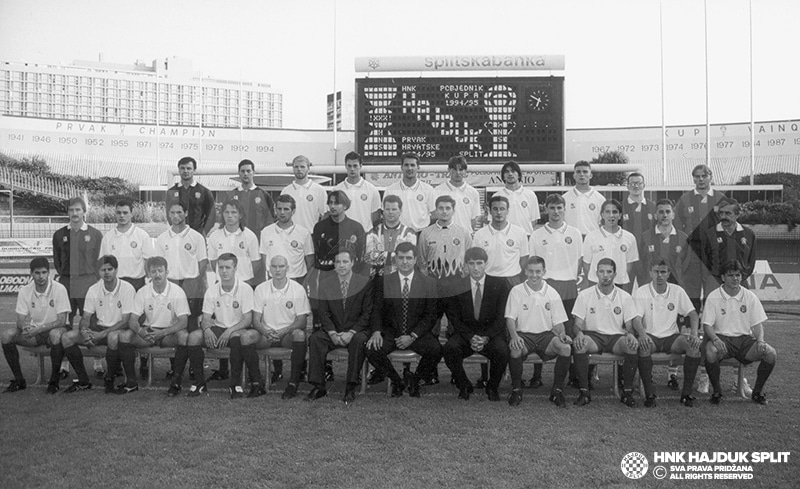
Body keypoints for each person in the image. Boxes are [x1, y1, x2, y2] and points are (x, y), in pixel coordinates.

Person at [366, 242, 441, 398]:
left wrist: (412, 336)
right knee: (372, 349)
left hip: (416, 333)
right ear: (395, 260)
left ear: (415, 260)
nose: (405, 262)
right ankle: (396, 380)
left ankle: (415, 380)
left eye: (408, 258)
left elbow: (431, 315)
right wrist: (377, 332)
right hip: (391, 332)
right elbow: (377, 310)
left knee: (436, 349)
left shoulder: (428, 283)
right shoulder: (383, 281)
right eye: (401, 258)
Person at [702, 260, 776, 405]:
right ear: (723, 277)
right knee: (710, 351)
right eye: (731, 275)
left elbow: (757, 324)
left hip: (744, 342)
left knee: (771, 353)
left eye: (738, 275)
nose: (735, 278)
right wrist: (715, 339)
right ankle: (717, 392)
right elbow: (707, 325)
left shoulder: (750, 296)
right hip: (723, 340)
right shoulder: (714, 296)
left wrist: (760, 339)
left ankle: (757, 392)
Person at [529, 194, 583, 388]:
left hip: (568, 286)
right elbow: (533, 263)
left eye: (559, 208)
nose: (556, 212)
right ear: (546, 209)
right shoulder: (537, 234)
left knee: (568, 330)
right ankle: (537, 375)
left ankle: (572, 375)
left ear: (564, 209)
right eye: (552, 208)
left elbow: (579, 261)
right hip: (545, 286)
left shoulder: (575, 233)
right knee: (541, 328)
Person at [122, 256, 197, 397]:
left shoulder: (177, 291)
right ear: (149, 274)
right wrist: (140, 331)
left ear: (167, 272)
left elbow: (183, 322)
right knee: (124, 336)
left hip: (169, 333)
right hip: (148, 332)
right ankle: (131, 382)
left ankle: (176, 382)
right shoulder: (143, 291)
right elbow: (132, 320)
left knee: (184, 337)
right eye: (153, 271)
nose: (157, 275)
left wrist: (162, 333)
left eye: (160, 271)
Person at [571, 258, 642, 407]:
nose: (605, 275)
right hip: (594, 336)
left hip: (616, 337)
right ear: (596, 273)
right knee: (579, 345)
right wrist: (579, 334)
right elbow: (577, 324)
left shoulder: (625, 296)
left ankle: (627, 392)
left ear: (615, 274)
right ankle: (584, 392)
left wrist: (630, 334)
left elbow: (629, 326)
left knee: (631, 345)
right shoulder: (584, 295)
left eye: (609, 272)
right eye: (602, 271)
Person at [442, 247, 510, 402]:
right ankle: (464, 384)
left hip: (490, 334)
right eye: (471, 263)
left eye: (479, 263)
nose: (476, 267)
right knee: (450, 349)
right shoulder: (457, 286)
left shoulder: (499, 284)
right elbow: (454, 318)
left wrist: (486, 337)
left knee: (502, 351)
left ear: (486, 263)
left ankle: (492, 387)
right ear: (465, 265)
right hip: (466, 333)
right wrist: (471, 337)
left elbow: (502, 317)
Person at [306, 249, 373, 404]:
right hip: (333, 330)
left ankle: (350, 387)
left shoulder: (364, 283)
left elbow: (367, 313)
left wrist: (351, 332)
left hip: (356, 330)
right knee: (316, 339)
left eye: (345, 262)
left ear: (352, 263)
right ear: (334, 265)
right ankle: (318, 386)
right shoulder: (325, 284)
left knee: (358, 341)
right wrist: (332, 333)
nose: (341, 265)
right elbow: (323, 313)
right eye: (338, 262)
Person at [504, 256, 572, 407]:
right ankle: (516, 389)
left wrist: (562, 334)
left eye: (538, 271)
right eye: (531, 271)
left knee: (565, 348)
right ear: (525, 271)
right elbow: (509, 318)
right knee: (515, 348)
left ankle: (557, 391)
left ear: (544, 272)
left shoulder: (552, 293)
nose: (534, 275)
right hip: (524, 335)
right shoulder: (516, 291)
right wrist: (514, 336)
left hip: (545, 336)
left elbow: (559, 321)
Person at [63, 255, 137, 394]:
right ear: (98, 272)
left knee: (112, 337)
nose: (107, 272)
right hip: (98, 330)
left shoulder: (127, 288)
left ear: (116, 270)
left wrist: (102, 334)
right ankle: (83, 381)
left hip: (119, 330)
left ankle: (109, 377)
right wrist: (84, 330)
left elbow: (125, 320)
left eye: (110, 269)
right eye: (103, 270)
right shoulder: (93, 289)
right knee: (67, 337)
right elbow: (85, 317)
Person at [99, 198, 156, 380]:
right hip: (115, 286)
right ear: (115, 214)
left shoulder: (142, 235)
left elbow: (148, 262)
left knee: (139, 324)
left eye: (125, 212)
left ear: (132, 213)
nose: (122, 216)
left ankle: (145, 361)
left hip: (137, 283)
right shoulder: (108, 237)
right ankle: (116, 365)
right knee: (117, 324)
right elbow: (104, 264)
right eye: (119, 212)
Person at [632, 260, 701, 407]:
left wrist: (694, 333)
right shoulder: (641, 292)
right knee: (643, 346)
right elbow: (636, 319)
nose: (659, 275)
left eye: (663, 272)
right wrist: (643, 335)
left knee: (694, 347)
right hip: (650, 336)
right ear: (650, 273)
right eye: (656, 271)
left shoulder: (677, 291)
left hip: (672, 338)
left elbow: (693, 314)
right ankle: (649, 394)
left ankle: (686, 394)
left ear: (669, 274)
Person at [154, 200, 209, 378]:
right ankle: (174, 366)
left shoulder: (196, 236)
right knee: (172, 323)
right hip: (170, 284)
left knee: (191, 325)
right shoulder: (162, 238)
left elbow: (202, 262)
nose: (175, 216)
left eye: (179, 212)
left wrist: (193, 281)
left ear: (185, 213)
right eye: (172, 213)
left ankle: (194, 366)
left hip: (191, 284)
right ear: (168, 215)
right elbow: (160, 264)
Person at [2, 257, 70, 394]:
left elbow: (62, 321)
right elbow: (20, 320)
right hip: (36, 332)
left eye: (44, 272)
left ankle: (53, 382)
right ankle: (19, 380)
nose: (41, 276)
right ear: (31, 273)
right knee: (6, 336)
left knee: (55, 334)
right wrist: (25, 328)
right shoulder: (25, 291)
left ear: (48, 273)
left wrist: (39, 328)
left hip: (57, 329)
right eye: (37, 273)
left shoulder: (59, 289)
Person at [253, 255, 312, 399]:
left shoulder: (297, 289)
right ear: (269, 268)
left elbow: (302, 321)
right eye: (274, 266)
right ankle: (257, 382)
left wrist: (283, 331)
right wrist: (266, 331)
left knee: (299, 334)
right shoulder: (261, 289)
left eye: (281, 266)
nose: (277, 270)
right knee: (246, 337)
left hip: (287, 335)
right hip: (267, 335)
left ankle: (293, 383)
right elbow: (256, 320)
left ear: (287, 268)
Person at [199, 253, 256, 399]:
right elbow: (205, 318)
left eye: (228, 267)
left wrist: (230, 331)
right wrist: (206, 329)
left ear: (235, 268)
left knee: (237, 337)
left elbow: (248, 320)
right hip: (219, 329)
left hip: (237, 329)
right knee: (193, 337)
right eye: (221, 267)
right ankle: (199, 383)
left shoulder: (245, 289)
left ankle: (235, 384)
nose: (224, 271)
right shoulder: (212, 290)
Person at [673, 163, 727, 312]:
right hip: (692, 253)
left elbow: (727, 226)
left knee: (712, 290)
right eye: (697, 177)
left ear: (710, 177)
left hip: (713, 253)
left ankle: (711, 325)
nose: (701, 179)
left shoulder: (720, 198)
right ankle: (693, 326)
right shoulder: (685, 199)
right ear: (693, 179)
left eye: (704, 176)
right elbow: (677, 227)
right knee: (692, 289)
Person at [52, 196, 103, 327]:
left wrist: (92, 278)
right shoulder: (59, 234)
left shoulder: (95, 234)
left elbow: (99, 259)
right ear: (67, 212)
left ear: (84, 211)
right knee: (63, 324)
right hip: (66, 283)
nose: (74, 213)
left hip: (88, 283)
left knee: (91, 323)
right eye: (71, 210)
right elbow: (57, 260)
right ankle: (67, 346)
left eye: (78, 210)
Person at [582, 199, 639, 292]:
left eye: (615, 212)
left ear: (620, 215)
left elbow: (629, 265)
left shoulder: (630, 237)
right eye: (607, 212)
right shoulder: (591, 237)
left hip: (621, 284)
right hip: (596, 283)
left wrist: (618, 277)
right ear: (602, 215)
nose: (611, 215)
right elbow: (586, 265)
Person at [704, 197, 757, 293]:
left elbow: (751, 260)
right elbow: (704, 261)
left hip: (739, 281)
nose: (723, 216)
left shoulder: (748, 234)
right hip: (715, 282)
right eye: (721, 213)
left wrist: (739, 277)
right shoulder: (709, 234)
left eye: (728, 213)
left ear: (737, 215)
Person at [473, 195, 528, 286]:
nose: (499, 212)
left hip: (512, 279)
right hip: (488, 279)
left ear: (507, 211)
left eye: (502, 209)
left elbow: (524, 259)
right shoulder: (479, 234)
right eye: (495, 209)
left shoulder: (520, 233)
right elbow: (476, 260)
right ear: (490, 211)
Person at [260, 194, 314, 283]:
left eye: (286, 209)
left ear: (293, 211)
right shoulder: (266, 232)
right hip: (274, 279)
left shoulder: (304, 233)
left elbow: (310, 260)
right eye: (279, 209)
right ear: (275, 209)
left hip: (297, 279)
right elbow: (264, 258)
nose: (282, 212)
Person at [206, 199, 260, 287]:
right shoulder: (215, 236)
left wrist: (243, 275)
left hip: (245, 282)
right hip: (221, 283)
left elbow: (256, 262)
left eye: (234, 212)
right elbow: (213, 262)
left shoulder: (250, 236)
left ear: (240, 215)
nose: (230, 216)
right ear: (222, 214)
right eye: (226, 212)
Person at [638, 199, 690, 287]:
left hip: (676, 287)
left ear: (673, 215)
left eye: (668, 212)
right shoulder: (645, 237)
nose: (665, 215)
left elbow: (686, 265)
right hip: (651, 287)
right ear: (655, 215)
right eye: (661, 212)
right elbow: (640, 264)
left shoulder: (683, 238)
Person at [364, 194, 417, 279]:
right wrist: (394, 255)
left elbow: (408, 259)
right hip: (377, 279)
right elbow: (369, 258)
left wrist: (381, 255)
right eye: (387, 209)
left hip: (400, 279)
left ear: (400, 211)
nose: (391, 212)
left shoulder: (409, 233)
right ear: (383, 211)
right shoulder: (373, 232)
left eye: (394, 209)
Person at [383, 152, 436, 232]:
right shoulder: (390, 190)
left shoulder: (428, 189)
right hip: (398, 234)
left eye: (412, 165)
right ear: (401, 167)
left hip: (421, 233)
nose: (409, 168)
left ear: (418, 167)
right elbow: (386, 215)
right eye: (406, 165)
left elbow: (434, 215)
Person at [165, 156, 216, 236]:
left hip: (197, 235)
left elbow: (211, 216)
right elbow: (169, 215)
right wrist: (177, 230)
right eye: (182, 168)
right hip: (178, 236)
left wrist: (202, 232)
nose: (185, 171)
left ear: (194, 170)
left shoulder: (204, 192)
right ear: (179, 170)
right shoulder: (171, 192)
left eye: (189, 168)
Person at [620, 172, 656, 286]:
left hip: (647, 257)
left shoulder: (653, 207)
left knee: (647, 291)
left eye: (638, 183)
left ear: (643, 185)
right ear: (627, 186)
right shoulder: (620, 207)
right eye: (632, 183)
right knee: (624, 291)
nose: (636, 186)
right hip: (626, 256)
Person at [333, 151, 381, 233]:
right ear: (345, 166)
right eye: (349, 166)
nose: (352, 169)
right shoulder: (337, 190)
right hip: (342, 235)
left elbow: (376, 218)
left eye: (355, 166)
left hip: (364, 235)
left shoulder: (372, 190)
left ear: (361, 166)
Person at [226, 159, 275, 237]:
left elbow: (271, 219)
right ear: (239, 173)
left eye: (248, 171)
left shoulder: (263, 195)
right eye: (243, 171)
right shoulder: (231, 195)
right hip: (235, 239)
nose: (245, 174)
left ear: (253, 172)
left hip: (257, 239)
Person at [280, 155, 327, 234]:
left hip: (310, 235)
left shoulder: (319, 190)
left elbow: (324, 215)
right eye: (296, 167)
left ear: (308, 168)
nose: (299, 169)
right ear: (293, 168)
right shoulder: (286, 191)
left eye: (302, 167)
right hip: (290, 235)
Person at [435, 156, 481, 232]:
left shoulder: (473, 192)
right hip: (443, 234)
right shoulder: (437, 191)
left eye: (461, 169)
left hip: (465, 236)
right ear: (449, 170)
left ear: (465, 171)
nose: (458, 172)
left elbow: (474, 219)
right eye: (454, 169)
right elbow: (434, 216)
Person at [494, 160, 540, 235]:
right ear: (503, 176)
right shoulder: (497, 196)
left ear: (519, 175)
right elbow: (494, 220)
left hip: (525, 236)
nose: (510, 174)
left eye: (513, 171)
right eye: (507, 172)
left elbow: (534, 220)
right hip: (504, 237)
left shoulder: (530, 194)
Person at [563, 160, 606, 237]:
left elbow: (603, 224)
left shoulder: (600, 199)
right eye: (578, 172)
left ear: (590, 175)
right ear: (574, 175)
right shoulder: (565, 198)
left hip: (592, 240)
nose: (582, 174)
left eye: (585, 172)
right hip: (571, 240)